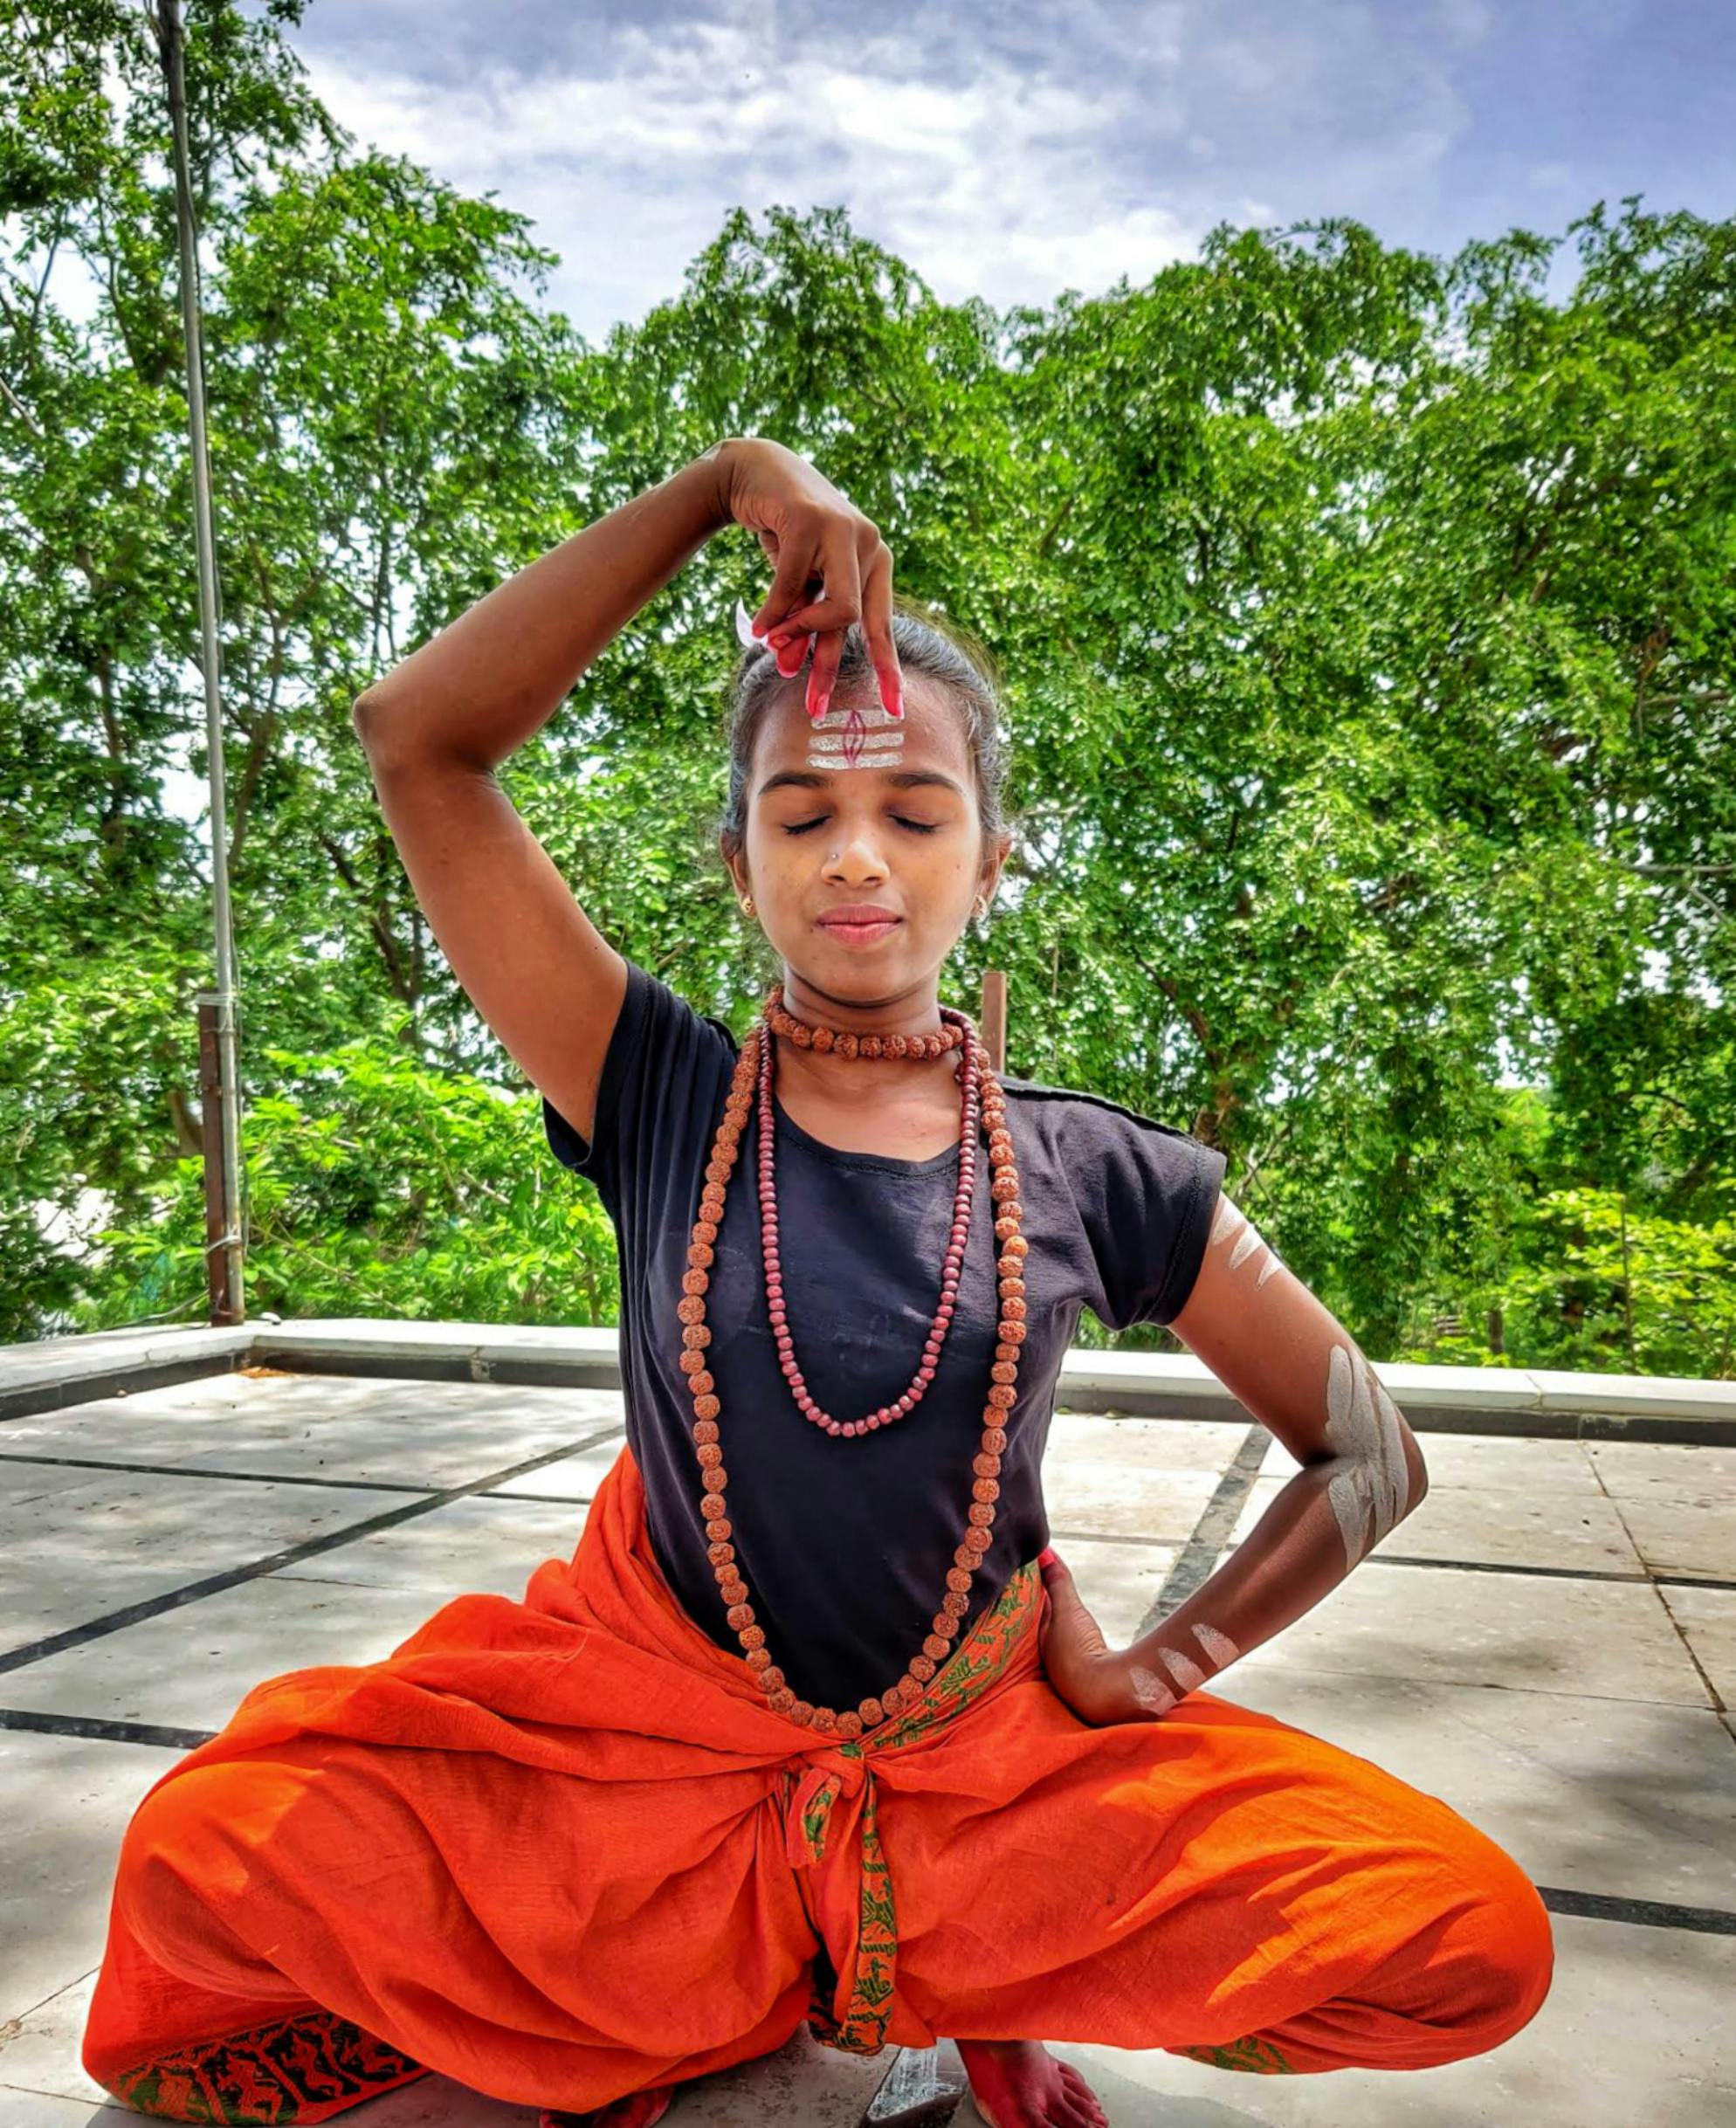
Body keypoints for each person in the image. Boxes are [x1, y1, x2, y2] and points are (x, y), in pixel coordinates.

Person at [82, 438, 1553, 2127]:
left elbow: (1372, 1450)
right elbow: (421, 741)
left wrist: (1161, 1664)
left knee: (1465, 1936)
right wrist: (726, 484)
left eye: (914, 812)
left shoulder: (1097, 1165)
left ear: (989, 861)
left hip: (972, 1784)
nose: (859, 853)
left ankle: (958, 1984)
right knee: (210, 1853)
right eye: (807, 814)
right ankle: (755, 1989)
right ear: (740, 866)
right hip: (647, 1764)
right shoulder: (653, 1090)